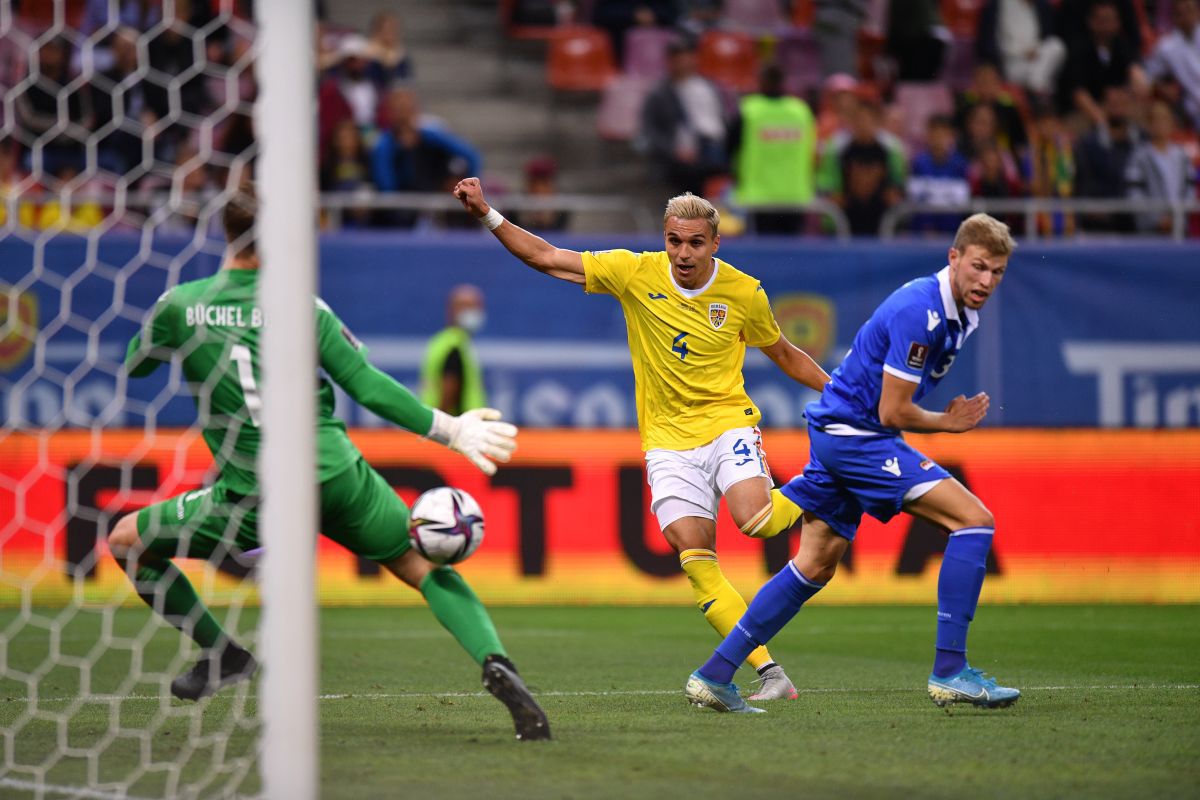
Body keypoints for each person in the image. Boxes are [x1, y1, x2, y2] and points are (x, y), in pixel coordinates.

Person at [108, 183, 550, 741]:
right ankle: (496, 662)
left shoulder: (180, 305)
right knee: (424, 567)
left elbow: (135, 365)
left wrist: (166, 328)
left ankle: (222, 653)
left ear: (225, 233)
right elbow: (365, 384)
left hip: (255, 496)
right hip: (339, 476)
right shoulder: (302, 306)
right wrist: (450, 429)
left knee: (130, 542)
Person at [452, 176, 831, 702]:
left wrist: (841, 392)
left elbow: (786, 353)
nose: (682, 252)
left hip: (726, 423)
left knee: (758, 521)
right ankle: (769, 672)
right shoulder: (635, 272)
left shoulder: (744, 292)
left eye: (695, 242)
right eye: (674, 240)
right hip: (667, 442)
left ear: (715, 243)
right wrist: (488, 214)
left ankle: (829, 491)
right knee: (693, 554)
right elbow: (546, 257)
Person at [684, 213, 1021, 713]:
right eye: (978, 267)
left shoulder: (958, 312)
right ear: (953, 258)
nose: (986, 281)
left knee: (816, 563)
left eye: (996, 272)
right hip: (857, 435)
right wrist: (947, 424)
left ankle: (714, 674)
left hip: (843, 430)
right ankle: (951, 670)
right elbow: (893, 410)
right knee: (973, 521)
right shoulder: (922, 312)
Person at [729, 64, 817, 235]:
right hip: (795, 194)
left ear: (761, 81)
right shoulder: (802, 111)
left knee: (762, 254)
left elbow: (730, 147)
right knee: (792, 254)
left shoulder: (749, 110)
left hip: (759, 196)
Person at [640, 37, 730, 196]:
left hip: (714, 149)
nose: (684, 62)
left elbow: (723, 120)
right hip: (680, 158)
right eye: (678, 58)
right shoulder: (660, 94)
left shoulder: (710, 87)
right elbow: (650, 132)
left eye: (688, 56)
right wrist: (674, 150)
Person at [1126, 99, 1195, 234]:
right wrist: (1156, 220)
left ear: (1171, 124)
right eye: (1155, 121)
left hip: (1179, 226)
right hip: (1150, 229)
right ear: (1149, 125)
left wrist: (1179, 216)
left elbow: (1190, 188)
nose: (1160, 125)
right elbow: (1134, 193)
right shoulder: (1139, 157)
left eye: (1164, 120)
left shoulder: (1182, 156)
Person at [421, 285, 488, 415]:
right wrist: (442, 426)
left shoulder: (444, 341)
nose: (472, 312)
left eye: (476, 307)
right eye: (465, 306)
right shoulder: (454, 346)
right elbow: (449, 386)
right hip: (457, 425)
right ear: (451, 310)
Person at [1143, 0, 1200, 131]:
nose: (1186, 17)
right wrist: (1161, 88)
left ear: (1198, 12)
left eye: (1189, 11)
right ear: (1174, 18)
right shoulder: (1166, 47)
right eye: (1180, 13)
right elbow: (1147, 75)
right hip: (1195, 111)